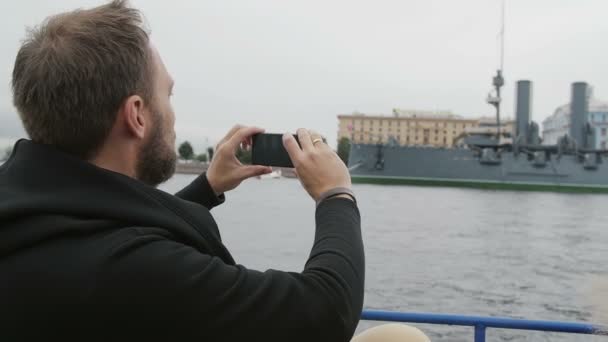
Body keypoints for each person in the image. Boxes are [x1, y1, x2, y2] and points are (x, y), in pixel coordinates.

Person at [0, 1, 430, 341]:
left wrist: (207, 187)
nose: (171, 111)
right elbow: (325, 313)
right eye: (166, 95)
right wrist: (336, 195)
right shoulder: (134, 272)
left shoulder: (30, 219)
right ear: (137, 115)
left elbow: (103, 226)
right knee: (400, 337)